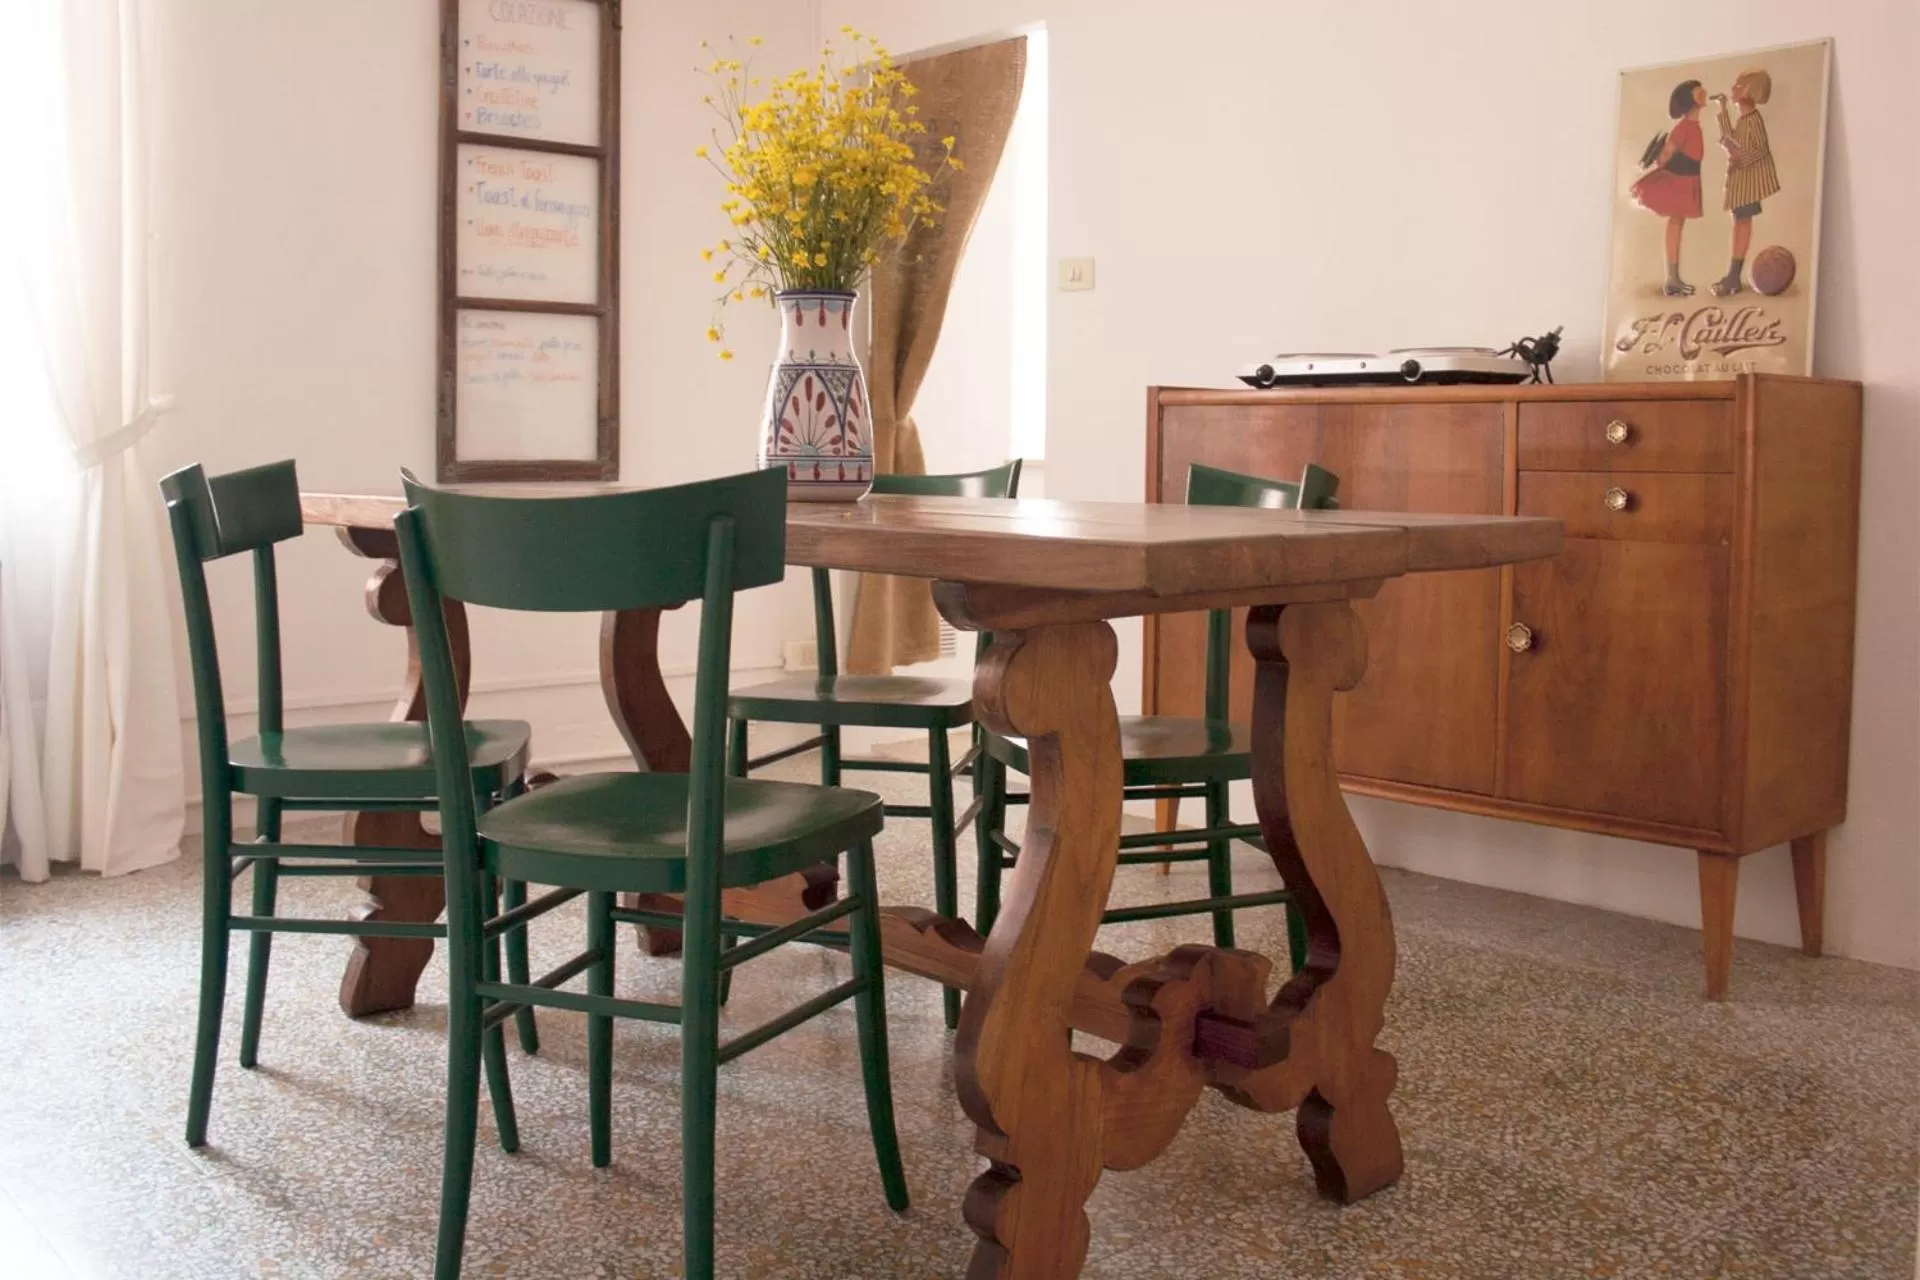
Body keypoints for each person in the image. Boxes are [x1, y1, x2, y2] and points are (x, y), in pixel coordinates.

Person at [1630, 80, 1708, 296]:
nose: (1703, 92)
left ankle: (1673, 277)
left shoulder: (1693, 127)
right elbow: (1665, 156)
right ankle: (1672, 278)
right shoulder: (1683, 128)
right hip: (1679, 182)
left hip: (1688, 180)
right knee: (1676, 224)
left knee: (1677, 224)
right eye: (1698, 90)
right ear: (1689, 99)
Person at [1709, 68, 1781, 296]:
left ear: (1750, 91)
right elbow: (1731, 138)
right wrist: (1722, 110)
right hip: (1741, 181)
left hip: (1748, 182)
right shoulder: (1744, 119)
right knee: (1739, 223)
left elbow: (1760, 150)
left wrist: (1738, 154)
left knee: (1741, 224)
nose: (1733, 89)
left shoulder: (1753, 120)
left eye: (1738, 86)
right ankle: (1733, 275)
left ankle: (1733, 276)